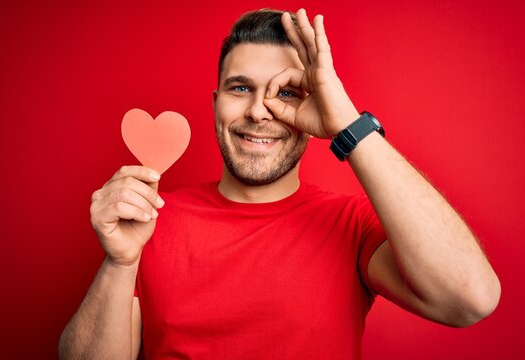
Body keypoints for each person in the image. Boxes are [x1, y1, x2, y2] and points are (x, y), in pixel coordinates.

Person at [59, 8, 501, 359]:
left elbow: (470, 299)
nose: (259, 111)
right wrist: (119, 263)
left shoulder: (350, 225)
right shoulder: (149, 220)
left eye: (285, 92)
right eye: (239, 88)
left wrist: (347, 122)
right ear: (216, 104)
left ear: (315, 106)